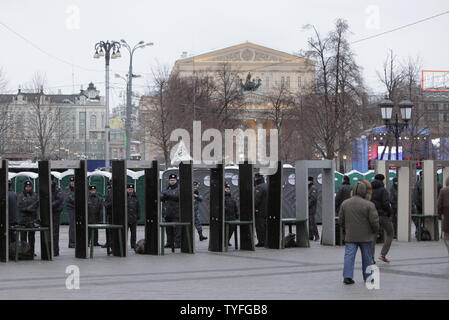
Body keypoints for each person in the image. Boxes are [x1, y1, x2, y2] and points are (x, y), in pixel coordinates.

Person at [339, 180, 379, 285]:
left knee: (349, 256)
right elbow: (374, 221)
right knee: (367, 257)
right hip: (366, 236)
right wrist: (375, 231)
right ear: (364, 192)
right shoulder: (369, 205)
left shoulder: (345, 203)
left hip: (351, 235)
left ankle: (347, 277)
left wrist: (346, 228)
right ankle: (368, 277)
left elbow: (340, 221)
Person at [370, 174, 394, 263]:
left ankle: (371, 258)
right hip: (383, 215)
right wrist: (389, 213)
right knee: (390, 233)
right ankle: (383, 254)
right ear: (382, 180)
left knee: (373, 235)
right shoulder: (383, 190)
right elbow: (386, 203)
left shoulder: (370, 190)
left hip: (373, 215)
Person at [17, 180, 39, 255]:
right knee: (23, 237)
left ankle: (31, 251)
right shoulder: (20, 195)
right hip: (23, 220)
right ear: (24, 187)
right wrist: (28, 209)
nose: (28, 188)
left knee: (31, 237)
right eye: (27, 187)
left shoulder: (35, 195)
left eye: (29, 187)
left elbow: (36, 205)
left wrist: (29, 209)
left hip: (32, 219)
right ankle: (24, 252)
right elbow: (20, 207)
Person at [161, 174, 181, 248]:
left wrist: (166, 194)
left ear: (176, 181)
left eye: (173, 180)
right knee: (168, 229)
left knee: (177, 229)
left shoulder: (178, 189)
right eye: (171, 180)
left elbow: (176, 196)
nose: (172, 182)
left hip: (176, 212)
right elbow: (161, 197)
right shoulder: (166, 188)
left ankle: (177, 243)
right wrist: (167, 194)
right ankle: (169, 242)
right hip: (168, 212)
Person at [51, 177, 64, 256]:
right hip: (48, 213)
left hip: (55, 212)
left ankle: (55, 250)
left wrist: (50, 205)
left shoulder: (57, 189)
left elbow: (59, 199)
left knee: (55, 232)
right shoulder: (46, 187)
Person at [254, 173, 268, 247]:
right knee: (266, 226)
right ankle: (266, 240)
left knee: (260, 227)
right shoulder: (267, 185)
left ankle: (261, 241)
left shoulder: (259, 187)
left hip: (260, 211)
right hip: (268, 210)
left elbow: (256, 200)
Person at [437, 177, 449, 256]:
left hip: (447, 216)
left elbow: (439, 205)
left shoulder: (443, 191)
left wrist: (440, 214)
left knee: (446, 236)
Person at [126, 183, 140, 249]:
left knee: (133, 233)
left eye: (131, 189)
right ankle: (124, 244)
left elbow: (138, 207)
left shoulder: (136, 196)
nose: (130, 190)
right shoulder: (124, 196)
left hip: (133, 217)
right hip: (126, 217)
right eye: (129, 189)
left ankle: (133, 244)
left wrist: (138, 215)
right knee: (125, 232)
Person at [65, 177, 76, 248]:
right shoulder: (67, 189)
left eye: (73, 181)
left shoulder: (77, 188)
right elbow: (69, 198)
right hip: (71, 208)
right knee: (72, 226)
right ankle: (71, 243)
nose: (72, 183)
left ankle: (76, 241)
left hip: (77, 208)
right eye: (71, 181)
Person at [308, 176, 319, 242]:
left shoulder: (313, 188)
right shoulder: (309, 188)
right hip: (309, 208)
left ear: (310, 181)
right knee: (309, 222)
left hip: (312, 208)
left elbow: (313, 199)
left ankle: (316, 236)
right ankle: (310, 236)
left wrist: (307, 205)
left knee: (312, 222)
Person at [102, 181, 113, 249]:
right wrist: (105, 204)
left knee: (111, 230)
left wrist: (106, 204)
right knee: (108, 229)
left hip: (111, 213)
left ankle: (111, 243)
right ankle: (108, 242)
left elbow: (111, 202)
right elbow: (106, 201)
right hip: (108, 213)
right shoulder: (109, 192)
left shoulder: (112, 192)